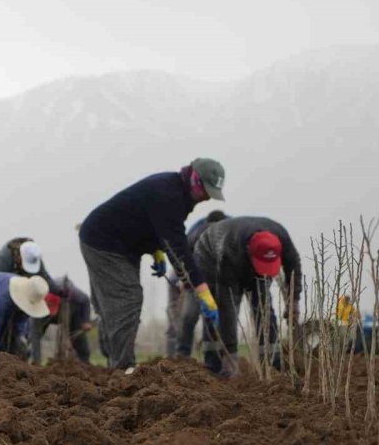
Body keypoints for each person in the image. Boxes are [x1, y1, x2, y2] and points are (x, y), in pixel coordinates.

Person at [79, 158, 226, 372]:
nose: (206, 199)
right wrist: (204, 293)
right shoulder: (168, 194)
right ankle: (122, 368)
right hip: (104, 244)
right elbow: (179, 249)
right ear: (195, 180)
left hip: (122, 245)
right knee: (128, 300)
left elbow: (154, 226)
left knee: (115, 307)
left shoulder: (178, 193)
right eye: (206, 192)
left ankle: (115, 363)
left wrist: (156, 251)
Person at [193, 216, 302, 376]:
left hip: (245, 255)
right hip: (210, 254)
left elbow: (294, 267)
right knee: (217, 311)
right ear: (249, 253)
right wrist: (231, 356)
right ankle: (216, 364)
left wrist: (293, 301)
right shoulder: (229, 252)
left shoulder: (281, 238)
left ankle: (272, 362)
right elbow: (227, 306)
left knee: (264, 309)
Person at [165, 209, 230, 357]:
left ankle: (212, 360)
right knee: (188, 316)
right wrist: (184, 281)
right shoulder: (196, 235)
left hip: (216, 279)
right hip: (191, 277)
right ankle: (181, 356)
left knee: (212, 318)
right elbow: (184, 261)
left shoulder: (231, 232)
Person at [0, 237, 59, 359]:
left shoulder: (34, 256)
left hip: (17, 299)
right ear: (18, 257)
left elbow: (45, 277)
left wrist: (61, 291)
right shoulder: (2, 260)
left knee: (15, 339)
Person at [31, 276, 94, 364]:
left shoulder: (74, 294)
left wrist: (86, 321)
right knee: (35, 333)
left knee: (79, 338)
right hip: (44, 312)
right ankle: (34, 361)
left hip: (70, 311)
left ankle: (84, 363)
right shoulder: (41, 292)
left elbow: (85, 300)